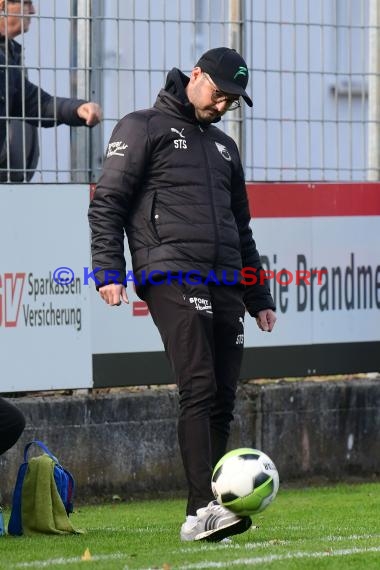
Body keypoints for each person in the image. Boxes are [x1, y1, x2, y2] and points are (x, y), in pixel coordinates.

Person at [88, 47, 276, 542]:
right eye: (218, 94)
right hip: (170, 273)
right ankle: (199, 512)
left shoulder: (224, 149)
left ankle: (216, 502)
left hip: (227, 282)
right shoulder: (141, 126)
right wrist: (109, 270)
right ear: (195, 76)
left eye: (232, 101)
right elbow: (106, 204)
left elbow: (241, 227)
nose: (222, 106)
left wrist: (259, 295)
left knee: (222, 398)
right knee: (197, 387)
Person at [0, 0, 102, 181]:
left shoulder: (6, 57)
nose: (32, 11)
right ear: (2, 4)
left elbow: (36, 103)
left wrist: (77, 109)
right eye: (26, 3)